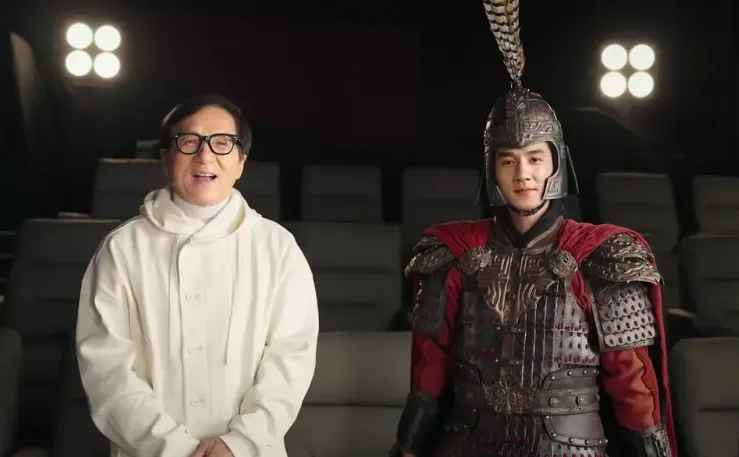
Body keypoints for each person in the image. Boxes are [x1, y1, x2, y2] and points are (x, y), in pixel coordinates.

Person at [388, 2, 677, 457]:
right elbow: (429, 373)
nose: (523, 174)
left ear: (555, 164)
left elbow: (633, 385)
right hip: (470, 445)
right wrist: (406, 449)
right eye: (509, 161)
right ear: (493, 171)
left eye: (535, 159)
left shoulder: (601, 255)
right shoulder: (452, 254)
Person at [76, 94, 319, 457]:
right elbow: (106, 369)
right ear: (165, 158)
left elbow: (291, 359)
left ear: (241, 162)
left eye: (222, 143)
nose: (205, 156)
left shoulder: (278, 248)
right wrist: (175, 449)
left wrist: (239, 443)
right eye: (189, 142)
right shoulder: (122, 249)